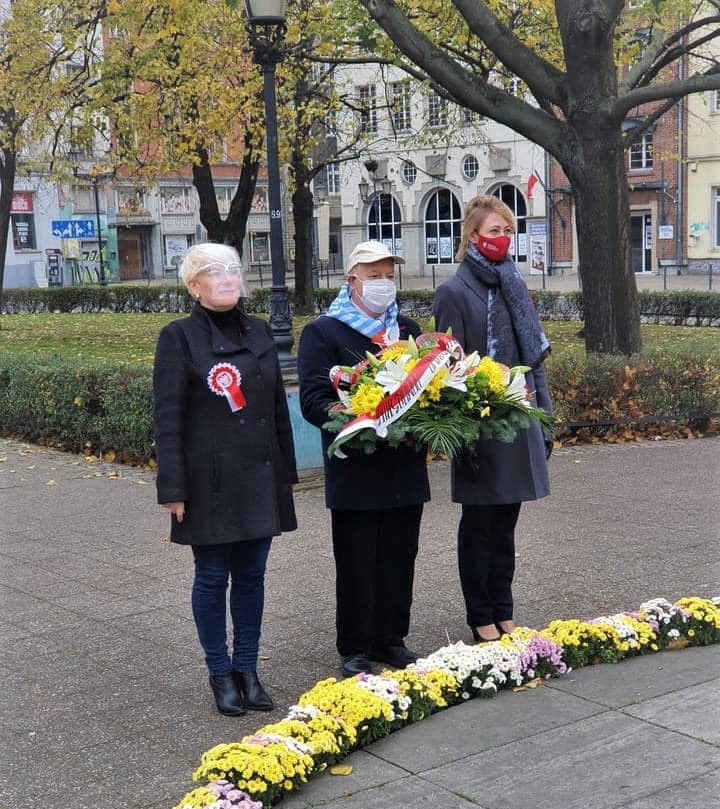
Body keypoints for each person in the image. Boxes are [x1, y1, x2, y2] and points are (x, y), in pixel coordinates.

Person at [153, 242, 297, 716]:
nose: (228, 278)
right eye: (215, 272)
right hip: (208, 482)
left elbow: (276, 408)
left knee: (252, 575)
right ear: (194, 286)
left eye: (233, 269)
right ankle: (220, 671)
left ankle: (247, 669)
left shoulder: (260, 332)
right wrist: (173, 488)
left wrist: (285, 473)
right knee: (213, 577)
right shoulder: (178, 338)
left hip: (260, 476)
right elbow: (168, 418)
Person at [297, 240, 430, 678]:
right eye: (374, 276)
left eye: (389, 275)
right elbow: (314, 400)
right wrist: (357, 417)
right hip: (356, 469)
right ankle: (354, 647)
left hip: (404, 468)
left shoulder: (407, 331)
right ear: (351, 279)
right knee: (357, 562)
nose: (383, 283)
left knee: (400, 557)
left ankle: (391, 639)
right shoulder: (324, 332)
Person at [432, 196, 553, 643]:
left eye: (507, 231)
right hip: (481, 427)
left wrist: (545, 416)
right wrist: (465, 430)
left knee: (506, 527)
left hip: (518, 420)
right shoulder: (453, 292)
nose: (502, 239)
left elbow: (533, 357)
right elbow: (449, 368)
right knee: (480, 527)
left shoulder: (512, 283)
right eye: (493, 231)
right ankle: (480, 612)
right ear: (472, 236)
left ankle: (503, 607)